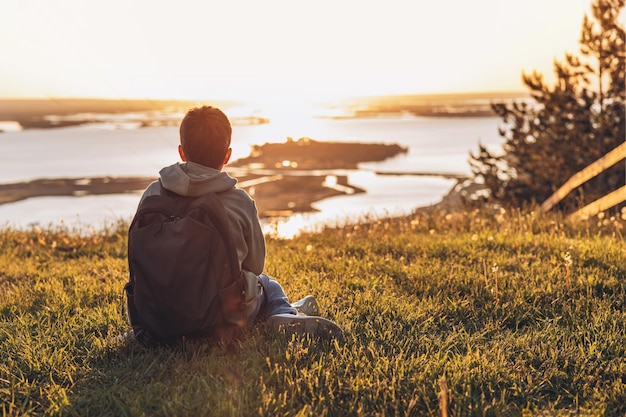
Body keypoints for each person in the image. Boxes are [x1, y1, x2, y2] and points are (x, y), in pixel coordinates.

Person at [134, 105, 343, 340]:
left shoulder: (153, 193)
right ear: (227, 155)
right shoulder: (238, 200)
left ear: (182, 152)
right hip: (217, 318)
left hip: (155, 314)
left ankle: (289, 310)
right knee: (267, 283)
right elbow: (255, 265)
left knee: (262, 286)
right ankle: (284, 312)